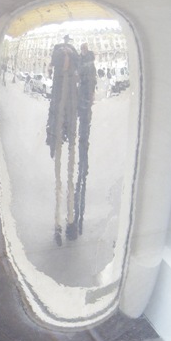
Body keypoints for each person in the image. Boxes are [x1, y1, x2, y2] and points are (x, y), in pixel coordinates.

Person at [46, 34, 80, 246]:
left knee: (69, 173)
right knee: (59, 176)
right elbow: (53, 112)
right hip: (60, 131)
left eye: (69, 56)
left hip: (69, 130)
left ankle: (70, 221)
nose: (66, 60)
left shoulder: (71, 83)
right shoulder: (58, 85)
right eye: (63, 56)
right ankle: (59, 224)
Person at [74, 43, 97, 234]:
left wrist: (90, 94)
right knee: (84, 122)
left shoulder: (86, 62)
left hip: (84, 96)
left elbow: (88, 79)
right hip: (83, 96)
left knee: (84, 122)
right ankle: (84, 142)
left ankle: (84, 143)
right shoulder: (85, 61)